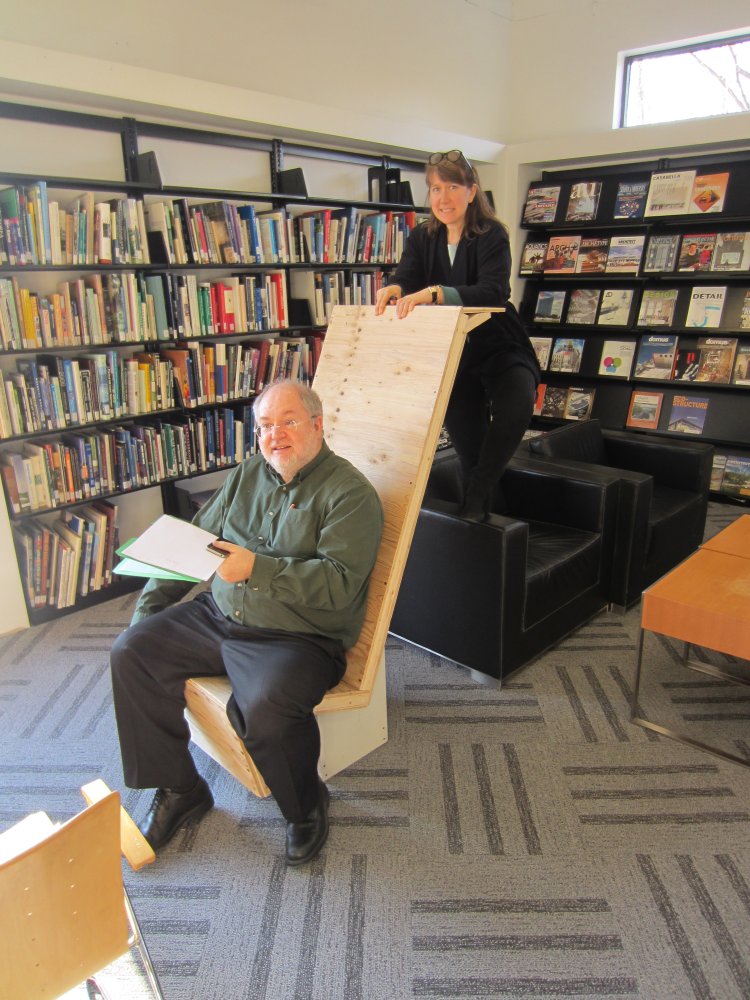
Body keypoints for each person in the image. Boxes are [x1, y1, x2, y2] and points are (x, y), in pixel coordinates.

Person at [110, 379, 383, 866]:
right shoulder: (247, 475)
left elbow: (340, 584)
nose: (274, 436)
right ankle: (180, 788)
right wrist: (148, 617)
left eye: (288, 423)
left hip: (296, 636)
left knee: (265, 709)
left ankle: (304, 806)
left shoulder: (350, 494)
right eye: (263, 427)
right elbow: (192, 542)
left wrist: (258, 568)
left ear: (318, 426)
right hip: (219, 614)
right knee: (132, 652)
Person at [374, 149, 540, 519]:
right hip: (454, 351)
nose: (443, 198)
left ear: (471, 191)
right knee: (470, 449)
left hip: (500, 344)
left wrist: (436, 293)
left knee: (516, 408)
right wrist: (396, 288)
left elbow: (495, 291)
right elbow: (408, 276)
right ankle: (490, 527)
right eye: (435, 189)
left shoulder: (492, 233)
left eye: (452, 187)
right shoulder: (422, 236)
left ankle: (477, 502)